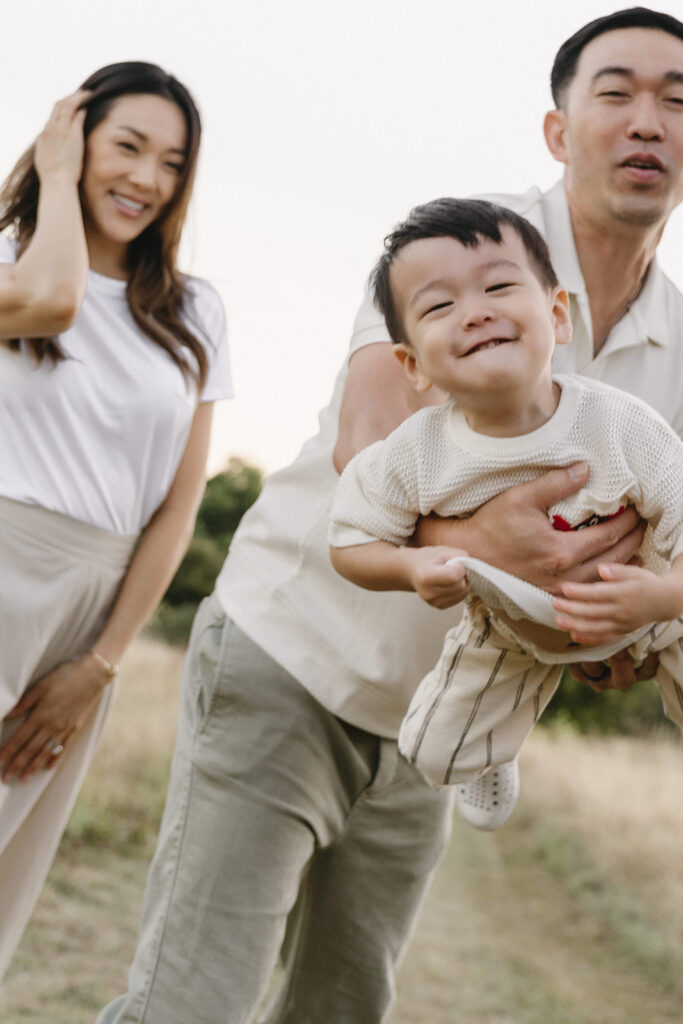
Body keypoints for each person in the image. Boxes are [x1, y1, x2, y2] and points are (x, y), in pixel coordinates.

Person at [98, 8, 683, 1024]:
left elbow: (638, 547)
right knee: (191, 1001)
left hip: (438, 724)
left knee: (340, 1005)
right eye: (616, 92)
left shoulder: (672, 347)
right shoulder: (457, 245)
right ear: (557, 128)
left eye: (675, 102)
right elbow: (365, 441)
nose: (647, 122)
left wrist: (614, 629)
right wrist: (481, 552)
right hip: (291, 652)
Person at [329, 197, 683, 829]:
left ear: (556, 315)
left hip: (652, 607)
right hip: (509, 629)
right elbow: (351, 540)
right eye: (440, 306)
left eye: (497, 286)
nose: (477, 311)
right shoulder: (418, 451)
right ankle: (496, 743)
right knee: (430, 752)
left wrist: (658, 602)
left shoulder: (622, 425)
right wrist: (408, 567)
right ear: (411, 365)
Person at [0, 62, 231, 979]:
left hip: (90, 605)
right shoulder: (12, 277)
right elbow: (52, 300)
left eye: (171, 163)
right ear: (74, 138)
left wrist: (102, 661)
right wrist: (52, 181)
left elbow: (177, 508)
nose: (145, 179)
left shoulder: (194, 311)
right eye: (124, 146)